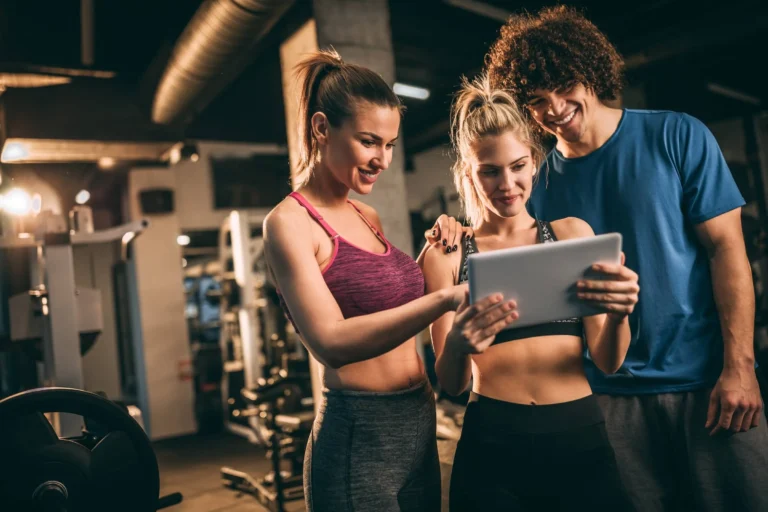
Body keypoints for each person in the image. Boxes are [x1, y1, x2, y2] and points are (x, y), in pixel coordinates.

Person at [479, 6, 768, 511]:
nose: (554, 109)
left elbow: (729, 252)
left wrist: (739, 367)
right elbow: (501, 248)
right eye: (536, 101)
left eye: (564, 86)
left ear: (591, 71)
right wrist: (449, 232)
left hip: (707, 383)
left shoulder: (677, 136)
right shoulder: (536, 184)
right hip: (604, 399)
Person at [262, 49, 514, 512]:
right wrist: (447, 298)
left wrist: (440, 243)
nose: (383, 158)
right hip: (359, 435)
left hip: (416, 420)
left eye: (391, 144)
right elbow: (332, 342)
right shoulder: (290, 223)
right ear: (321, 128)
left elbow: (390, 298)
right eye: (369, 141)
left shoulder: (366, 212)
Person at [422, 74, 638, 511]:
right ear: (468, 172)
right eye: (490, 171)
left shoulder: (572, 235)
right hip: (493, 448)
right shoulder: (446, 255)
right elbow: (451, 382)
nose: (507, 184)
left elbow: (609, 361)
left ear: (535, 162)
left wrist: (618, 314)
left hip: (580, 441)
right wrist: (460, 345)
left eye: (518, 166)